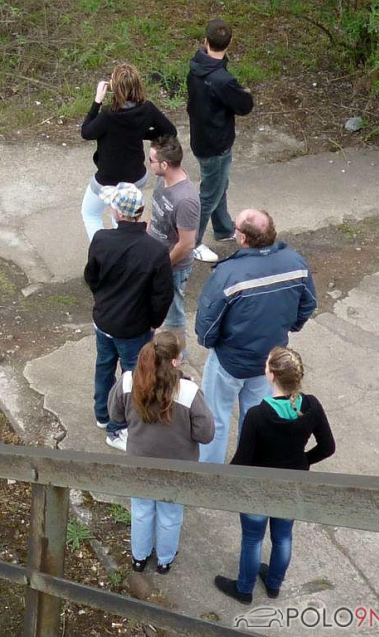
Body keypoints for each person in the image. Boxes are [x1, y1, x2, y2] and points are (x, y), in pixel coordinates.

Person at [214, 346, 336, 604]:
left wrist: (223, 480)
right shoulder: (311, 405)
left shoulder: (258, 415)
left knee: (252, 537)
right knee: (282, 536)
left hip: (258, 487)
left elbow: (243, 460)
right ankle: (273, 584)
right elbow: (328, 447)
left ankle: (244, 589)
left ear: (270, 375)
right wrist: (302, 461)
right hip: (292, 485)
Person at [194, 208, 316, 464]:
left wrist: (211, 343)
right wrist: (289, 327)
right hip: (268, 360)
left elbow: (207, 323)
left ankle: (209, 472)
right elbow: (308, 303)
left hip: (229, 361)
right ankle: (248, 469)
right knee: (256, 419)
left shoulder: (228, 274)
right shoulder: (296, 263)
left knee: (215, 418)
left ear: (242, 238)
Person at [108, 332, 214, 574]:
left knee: (142, 510)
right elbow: (206, 434)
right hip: (178, 467)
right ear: (175, 362)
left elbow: (114, 416)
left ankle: (139, 557)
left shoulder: (128, 382)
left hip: (140, 462)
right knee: (170, 513)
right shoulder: (188, 392)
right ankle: (165, 559)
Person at [84, 182, 174, 451]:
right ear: (141, 212)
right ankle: (117, 427)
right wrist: (154, 322)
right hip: (135, 327)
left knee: (104, 366)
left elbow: (91, 277)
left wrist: (103, 301)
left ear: (116, 212)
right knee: (135, 378)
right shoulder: (156, 251)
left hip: (104, 321)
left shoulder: (101, 239)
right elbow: (162, 296)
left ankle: (103, 414)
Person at [81, 63, 177, 242]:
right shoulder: (147, 109)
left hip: (107, 180)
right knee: (123, 219)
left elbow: (86, 132)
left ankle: (103, 251)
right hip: (135, 178)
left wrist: (97, 102)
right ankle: (124, 253)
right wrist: (144, 134)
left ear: (115, 87)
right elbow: (170, 131)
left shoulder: (108, 115)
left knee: (90, 213)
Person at [187, 19, 254, 263]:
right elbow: (244, 106)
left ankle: (224, 228)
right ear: (230, 43)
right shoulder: (223, 80)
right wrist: (245, 93)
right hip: (216, 144)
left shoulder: (196, 67)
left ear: (205, 41)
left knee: (218, 185)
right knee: (210, 193)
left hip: (201, 137)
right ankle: (192, 242)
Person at [147, 135, 199, 342]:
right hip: (155, 256)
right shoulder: (163, 179)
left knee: (173, 313)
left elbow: (187, 244)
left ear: (165, 164)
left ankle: (177, 354)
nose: (148, 164)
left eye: (151, 160)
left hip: (173, 267)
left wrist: (163, 265)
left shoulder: (185, 200)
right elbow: (156, 212)